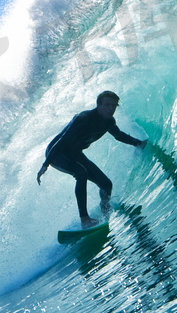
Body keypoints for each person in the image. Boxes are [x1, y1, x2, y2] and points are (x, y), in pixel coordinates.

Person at [37, 90, 147, 227]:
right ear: (98, 105)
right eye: (107, 105)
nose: (110, 109)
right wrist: (45, 164)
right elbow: (63, 140)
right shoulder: (83, 118)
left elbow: (118, 136)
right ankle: (85, 220)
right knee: (81, 173)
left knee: (106, 184)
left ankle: (105, 209)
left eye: (113, 106)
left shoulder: (109, 122)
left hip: (75, 153)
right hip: (57, 152)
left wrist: (139, 143)